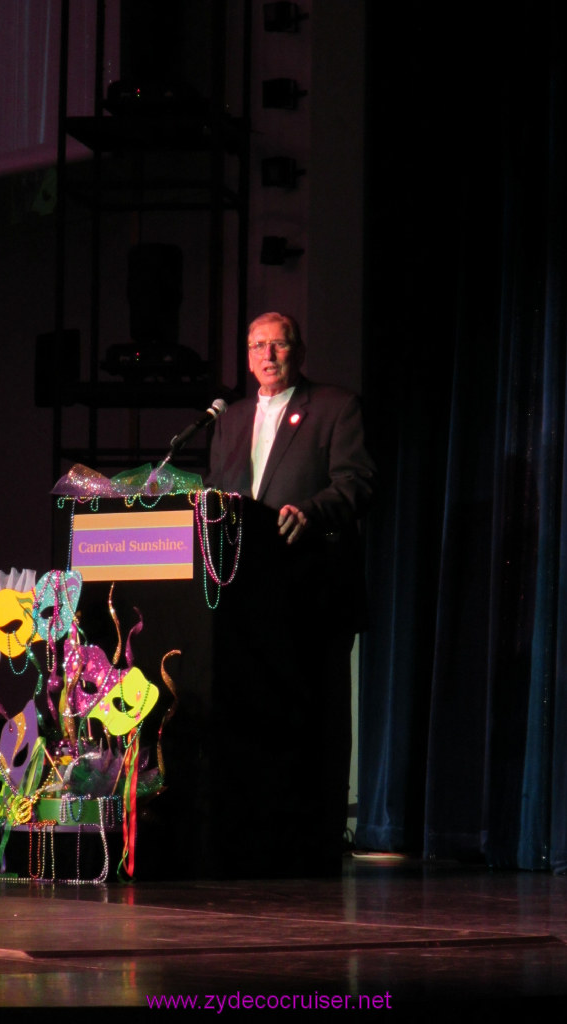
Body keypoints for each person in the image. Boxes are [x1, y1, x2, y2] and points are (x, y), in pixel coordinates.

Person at [205, 312, 375, 877]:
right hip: (246, 599)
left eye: (279, 344)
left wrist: (314, 511)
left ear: (299, 352)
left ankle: (318, 841)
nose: (269, 354)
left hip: (312, 592)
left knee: (318, 721)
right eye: (258, 345)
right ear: (247, 356)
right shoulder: (230, 420)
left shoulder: (335, 406)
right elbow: (223, 499)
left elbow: (354, 481)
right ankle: (256, 836)